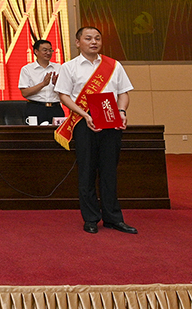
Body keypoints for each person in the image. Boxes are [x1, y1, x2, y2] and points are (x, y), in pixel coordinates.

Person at [55, 26, 137, 235]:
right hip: (84, 121)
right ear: (77, 42)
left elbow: (123, 93)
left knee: (109, 171)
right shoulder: (69, 67)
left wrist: (122, 112)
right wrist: (85, 115)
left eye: (97, 38)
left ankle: (113, 218)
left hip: (111, 120)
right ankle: (91, 218)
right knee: (87, 171)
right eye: (88, 38)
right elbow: (63, 95)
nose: (94, 42)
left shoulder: (114, 65)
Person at [18, 39, 65, 125]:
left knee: (58, 133)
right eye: (45, 50)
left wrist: (57, 84)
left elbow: (66, 91)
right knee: (35, 133)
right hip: (35, 108)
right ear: (36, 51)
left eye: (50, 50)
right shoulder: (27, 69)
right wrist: (43, 84)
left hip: (55, 108)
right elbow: (25, 93)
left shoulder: (59, 68)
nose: (48, 53)